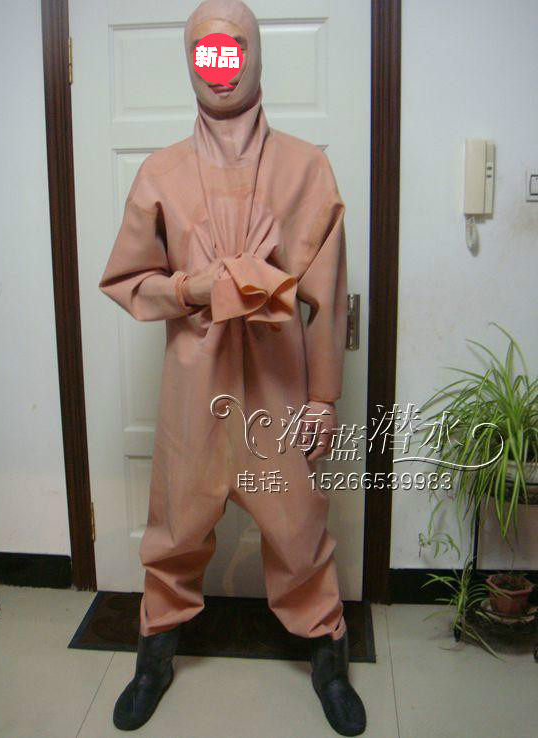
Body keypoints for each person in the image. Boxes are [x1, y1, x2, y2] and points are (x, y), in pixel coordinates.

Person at [98, 0, 366, 734]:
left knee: (299, 527)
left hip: (278, 389)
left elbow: (326, 296)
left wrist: (324, 398)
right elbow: (127, 279)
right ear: (189, 62)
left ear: (257, 56)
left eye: (234, 49)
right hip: (195, 386)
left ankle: (328, 656)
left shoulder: (307, 169)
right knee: (175, 528)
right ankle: (154, 656)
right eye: (206, 52)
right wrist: (192, 288)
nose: (221, 67)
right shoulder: (160, 173)